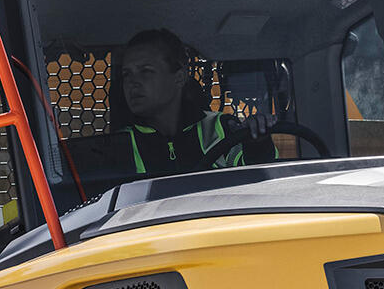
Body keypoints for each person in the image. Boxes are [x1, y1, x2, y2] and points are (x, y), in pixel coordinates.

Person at [78, 29, 265, 189]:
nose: (132, 83)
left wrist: (258, 142)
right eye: (127, 74)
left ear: (179, 78)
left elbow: (259, 183)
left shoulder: (222, 128)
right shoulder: (116, 148)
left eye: (146, 71)